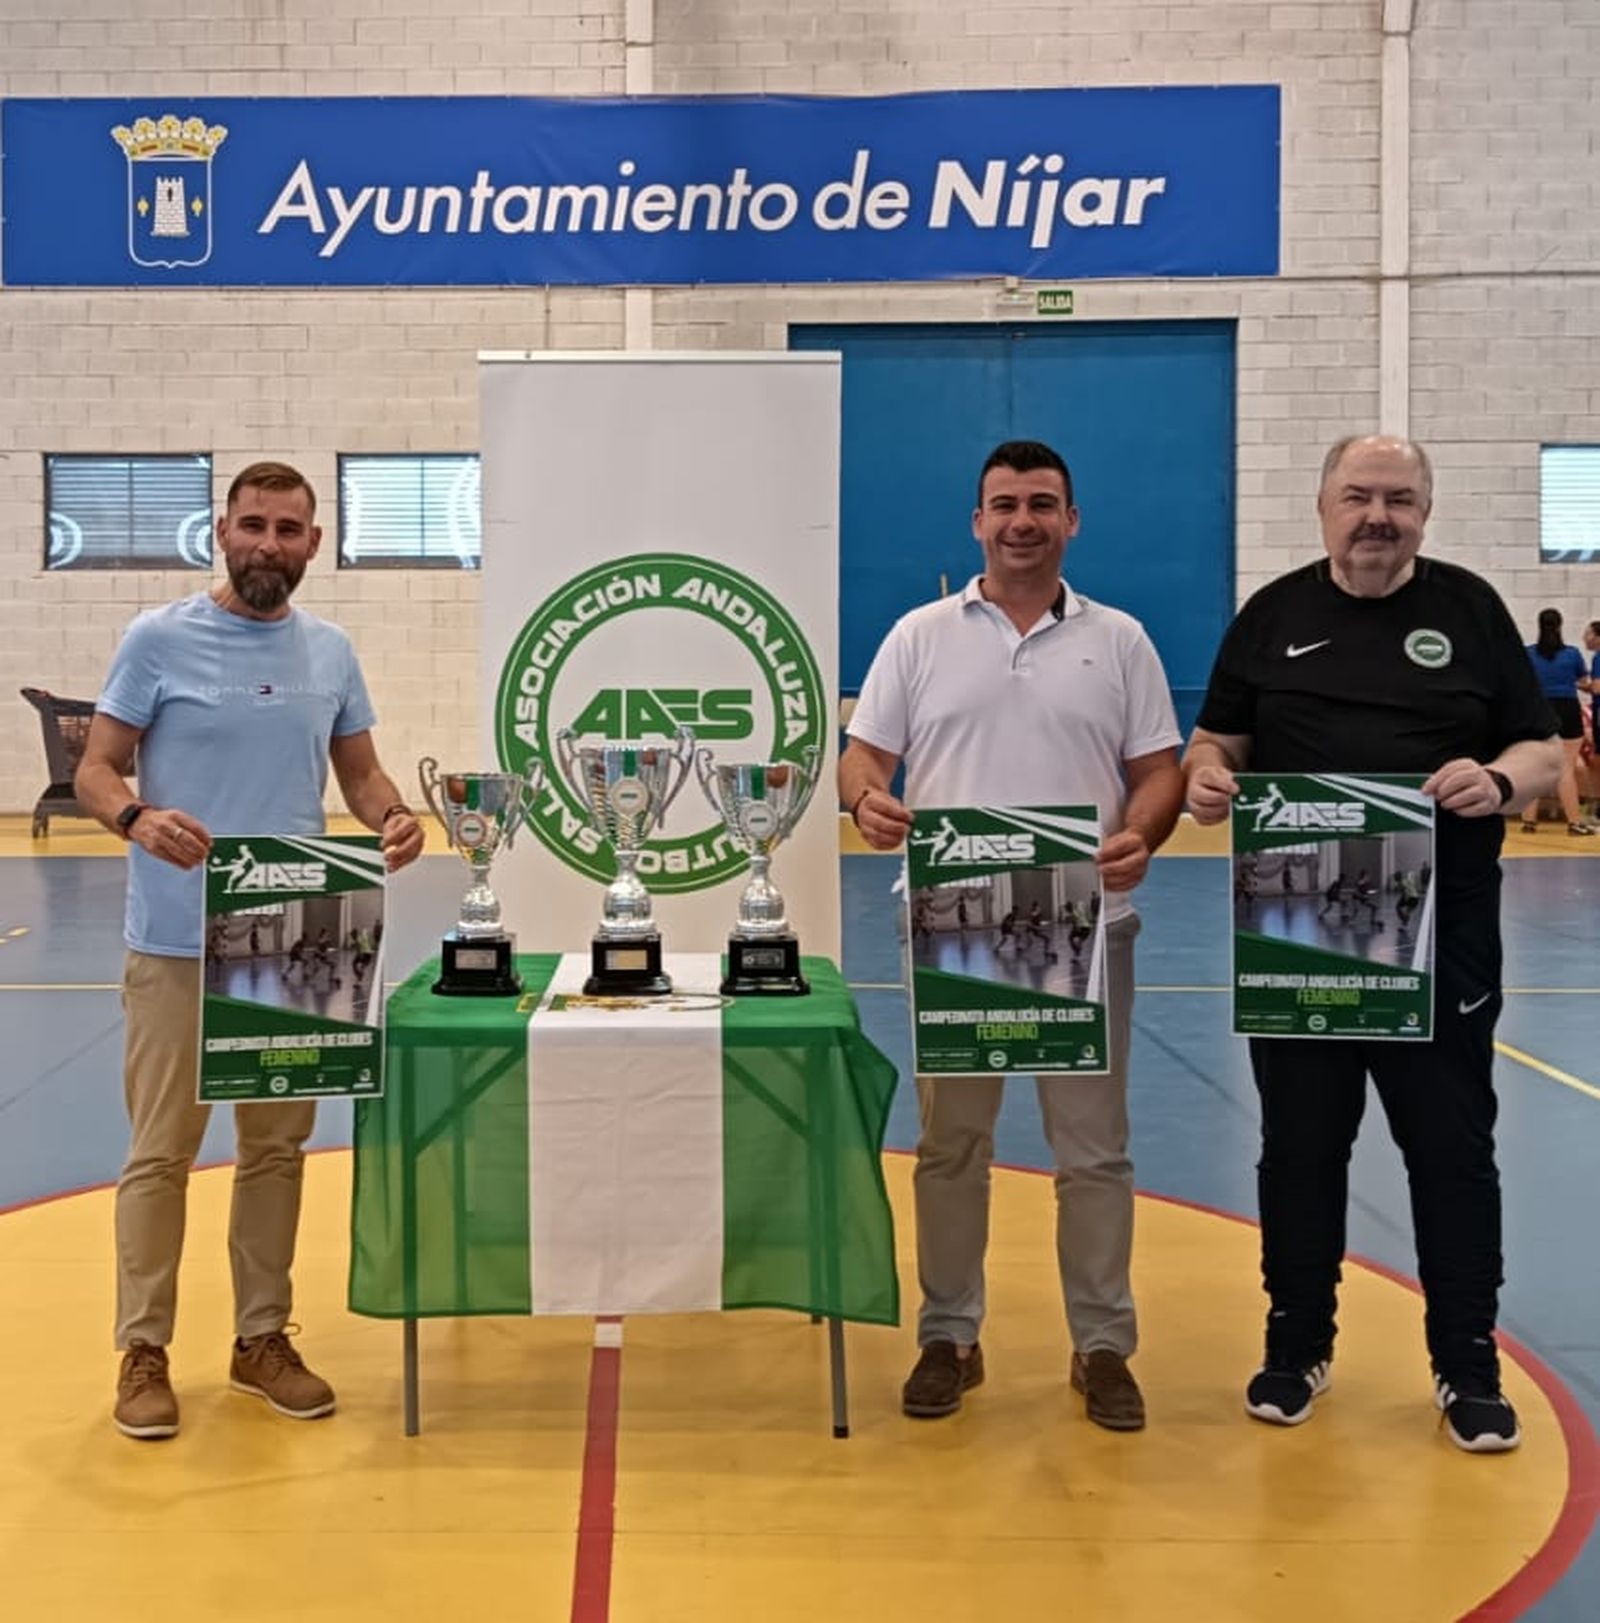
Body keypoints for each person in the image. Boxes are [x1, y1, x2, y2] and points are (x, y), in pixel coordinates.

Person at [1184, 434, 1559, 1453]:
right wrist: (1205, 776)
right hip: (1299, 936)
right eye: (1357, 496)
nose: (1376, 516)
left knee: (1450, 1155)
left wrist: (1505, 781)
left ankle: (1465, 1361)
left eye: (1398, 498)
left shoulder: (1471, 610)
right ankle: (1294, 1341)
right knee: (1299, 1151)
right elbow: (1218, 739)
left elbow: (1541, 744)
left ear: (1425, 513)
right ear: (1321, 507)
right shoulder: (1272, 617)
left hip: (1443, 942)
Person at [75, 460, 425, 1442]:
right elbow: (98, 767)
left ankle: (260, 1339)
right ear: (220, 531)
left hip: (299, 931)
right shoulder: (158, 639)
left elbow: (359, 775)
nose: (269, 544)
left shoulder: (332, 652)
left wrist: (392, 815)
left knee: (275, 1150)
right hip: (178, 939)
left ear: (314, 544)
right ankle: (143, 1350)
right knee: (162, 1152)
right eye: (253, 525)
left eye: (288, 529)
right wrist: (136, 817)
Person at [840, 438, 1183, 1430]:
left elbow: (1157, 769)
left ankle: (1103, 1346)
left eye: (1041, 503)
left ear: (1071, 521)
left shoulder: (1118, 641)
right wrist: (866, 802)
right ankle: (948, 1335)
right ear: (976, 523)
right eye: (1003, 505)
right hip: (955, 926)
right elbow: (861, 758)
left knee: (1093, 1152)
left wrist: (1141, 833)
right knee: (952, 1144)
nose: (1021, 520)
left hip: (1088, 925)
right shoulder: (917, 635)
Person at [1515, 608, 1591, 836]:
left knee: (1536, 767)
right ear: (1560, 625)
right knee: (1566, 769)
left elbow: (1520, 682)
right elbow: (1584, 681)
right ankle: (1574, 823)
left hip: (1540, 709)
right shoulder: (1572, 653)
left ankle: (1529, 822)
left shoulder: (1528, 653)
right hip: (1567, 709)